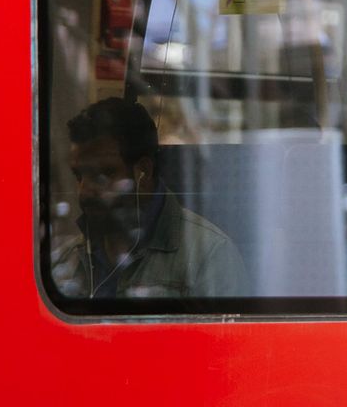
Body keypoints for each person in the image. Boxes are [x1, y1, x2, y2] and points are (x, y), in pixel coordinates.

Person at [50, 97, 248, 299]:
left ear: (143, 172)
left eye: (102, 175)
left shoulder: (209, 256)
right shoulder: (68, 259)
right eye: (78, 176)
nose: (84, 191)